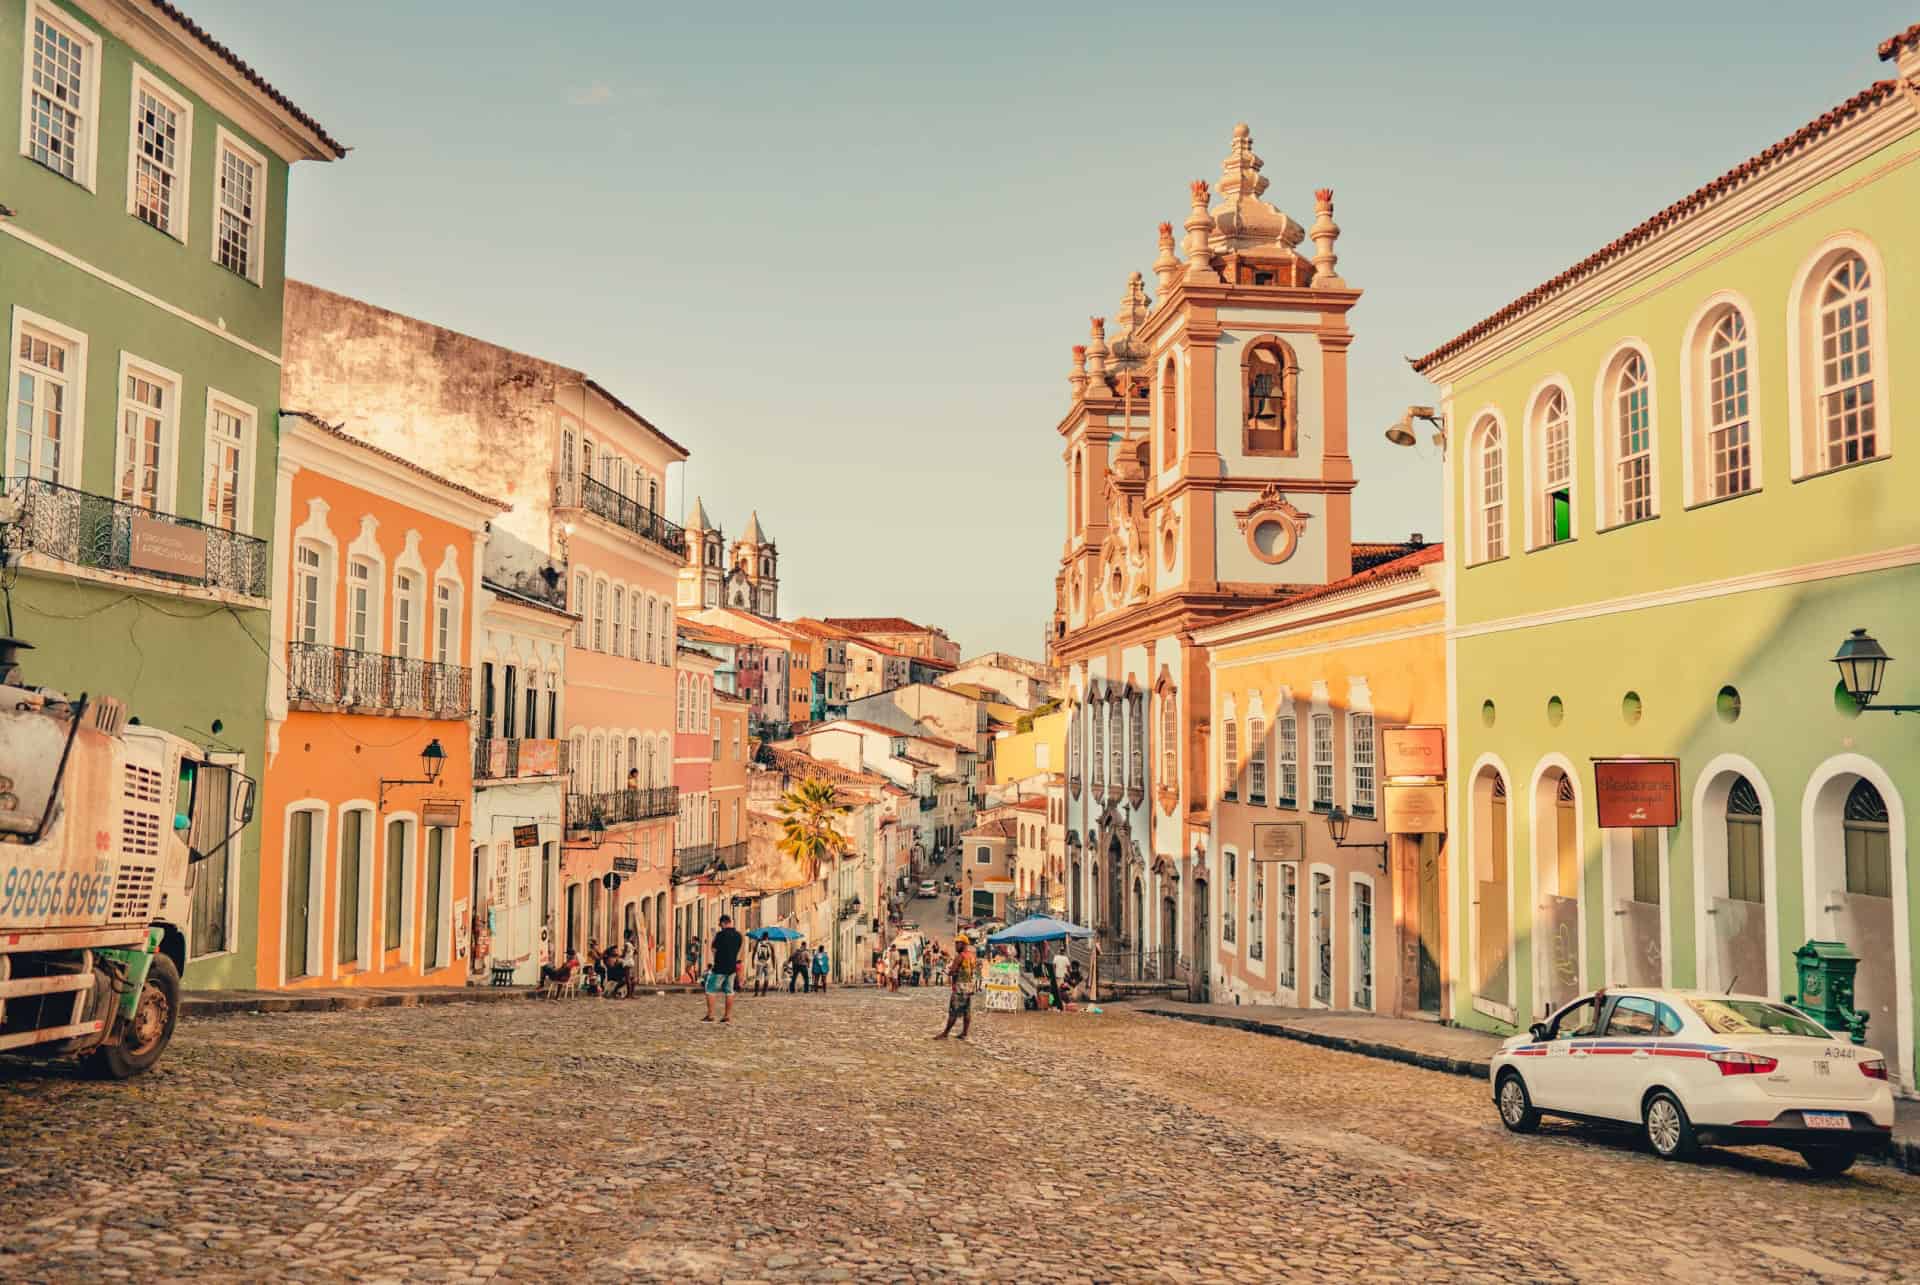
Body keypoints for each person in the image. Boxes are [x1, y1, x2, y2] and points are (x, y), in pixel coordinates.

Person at [934, 934, 978, 1040]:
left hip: (959, 988)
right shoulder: (971, 956)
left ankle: (945, 1033)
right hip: (968, 987)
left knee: (953, 1011)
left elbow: (952, 971)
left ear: (964, 944)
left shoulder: (960, 957)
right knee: (967, 1011)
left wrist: (948, 970)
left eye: (958, 943)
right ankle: (964, 1032)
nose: (956, 946)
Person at [703, 914, 744, 1023]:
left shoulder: (720, 935)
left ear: (723, 923)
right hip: (732, 968)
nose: (720, 927)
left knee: (710, 990)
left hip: (719, 967)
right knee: (729, 992)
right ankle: (727, 1016)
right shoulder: (738, 936)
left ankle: (710, 1015)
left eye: (720, 925)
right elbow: (739, 952)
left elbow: (714, 949)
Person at [1049, 945, 1069, 1011]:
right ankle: (1060, 1003)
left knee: (1056, 990)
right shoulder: (1065, 958)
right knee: (1061, 990)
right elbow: (1068, 966)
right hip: (1062, 976)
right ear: (1064, 952)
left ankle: (1057, 1003)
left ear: (1059, 951)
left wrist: (1053, 974)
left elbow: (1053, 966)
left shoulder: (1056, 957)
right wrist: (1068, 973)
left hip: (1057, 976)